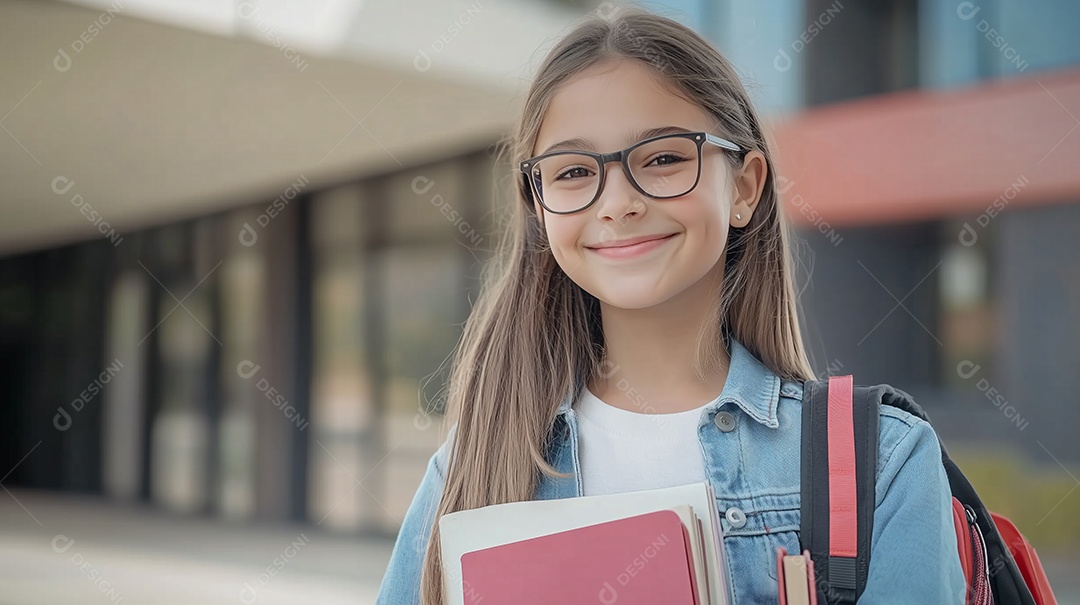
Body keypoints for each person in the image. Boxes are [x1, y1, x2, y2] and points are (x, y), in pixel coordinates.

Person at [376, 7, 964, 604]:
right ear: (540, 205)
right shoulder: (473, 464)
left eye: (662, 158)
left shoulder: (882, 461)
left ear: (744, 186)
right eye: (574, 171)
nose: (617, 203)